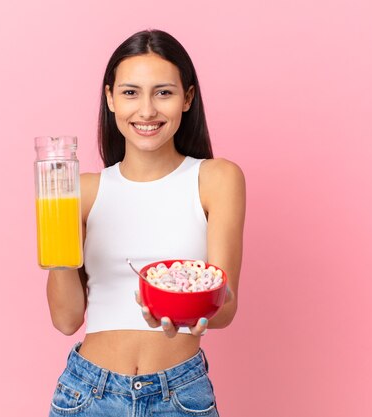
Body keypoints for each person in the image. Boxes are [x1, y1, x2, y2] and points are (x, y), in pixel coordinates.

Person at [46, 29, 245, 416]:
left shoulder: (216, 179)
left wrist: (184, 311)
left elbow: (226, 307)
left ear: (187, 98)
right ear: (110, 98)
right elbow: (67, 319)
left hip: (179, 395)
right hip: (86, 393)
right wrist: (55, 241)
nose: (147, 111)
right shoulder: (81, 190)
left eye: (164, 92)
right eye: (131, 92)